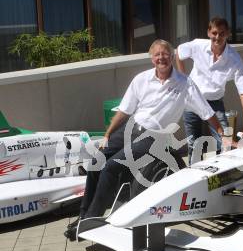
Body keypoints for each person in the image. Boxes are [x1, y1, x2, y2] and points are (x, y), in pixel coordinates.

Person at [64, 39, 223, 240]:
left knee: (112, 167)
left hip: (153, 137)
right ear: (151, 58)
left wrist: (223, 134)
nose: (161, 58)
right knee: (97, 162)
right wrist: (107, 134)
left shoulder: (185, 84)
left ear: (172, 56)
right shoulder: (141, 79)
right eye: (157, 55)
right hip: (131, 128)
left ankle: (90, 221)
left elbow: (206, 112)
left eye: (165, 54)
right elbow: (124, 111)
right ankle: (83, 215)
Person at [175, 17, 243, 163]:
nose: (217, 37)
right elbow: (179, 53)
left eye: (222, 33)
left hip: (215, 103)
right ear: (208, 33)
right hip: (192, 101)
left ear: (228, 34)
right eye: (214, 33)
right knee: (194, 143)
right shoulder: (198, 45)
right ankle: (195, 176)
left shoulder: (234, 59)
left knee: (225, 142)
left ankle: (222, 176)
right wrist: (183, 79)